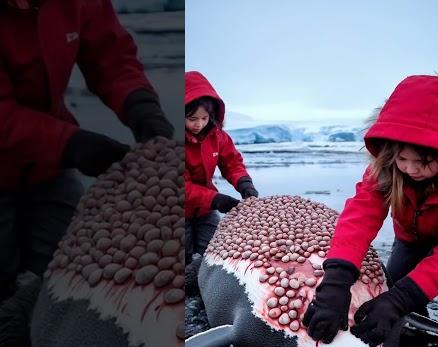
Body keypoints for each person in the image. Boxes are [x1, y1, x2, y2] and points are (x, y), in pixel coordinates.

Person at [0, 0, 173, 303]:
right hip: (36, 149)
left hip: (47, 167)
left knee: (69, 270)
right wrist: (70, 144)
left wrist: (142, 108)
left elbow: (111, 56)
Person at [302, 75, 438, 346]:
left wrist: (400, 300)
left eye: (423, 162)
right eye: (402, 159)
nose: (410, 169)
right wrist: (336, 280)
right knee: (395, 287)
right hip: (410, 239)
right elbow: (359, 220)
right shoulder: (385, 171)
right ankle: (410, 338)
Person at [184, 71, 259, 264]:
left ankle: (202, 289)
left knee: (212, 253)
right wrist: (216, 199)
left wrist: (244, 183)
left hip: (204, 210)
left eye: (204, 118)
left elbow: (232, 163)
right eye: (192, 118)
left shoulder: (218, 137)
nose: (198, 124)